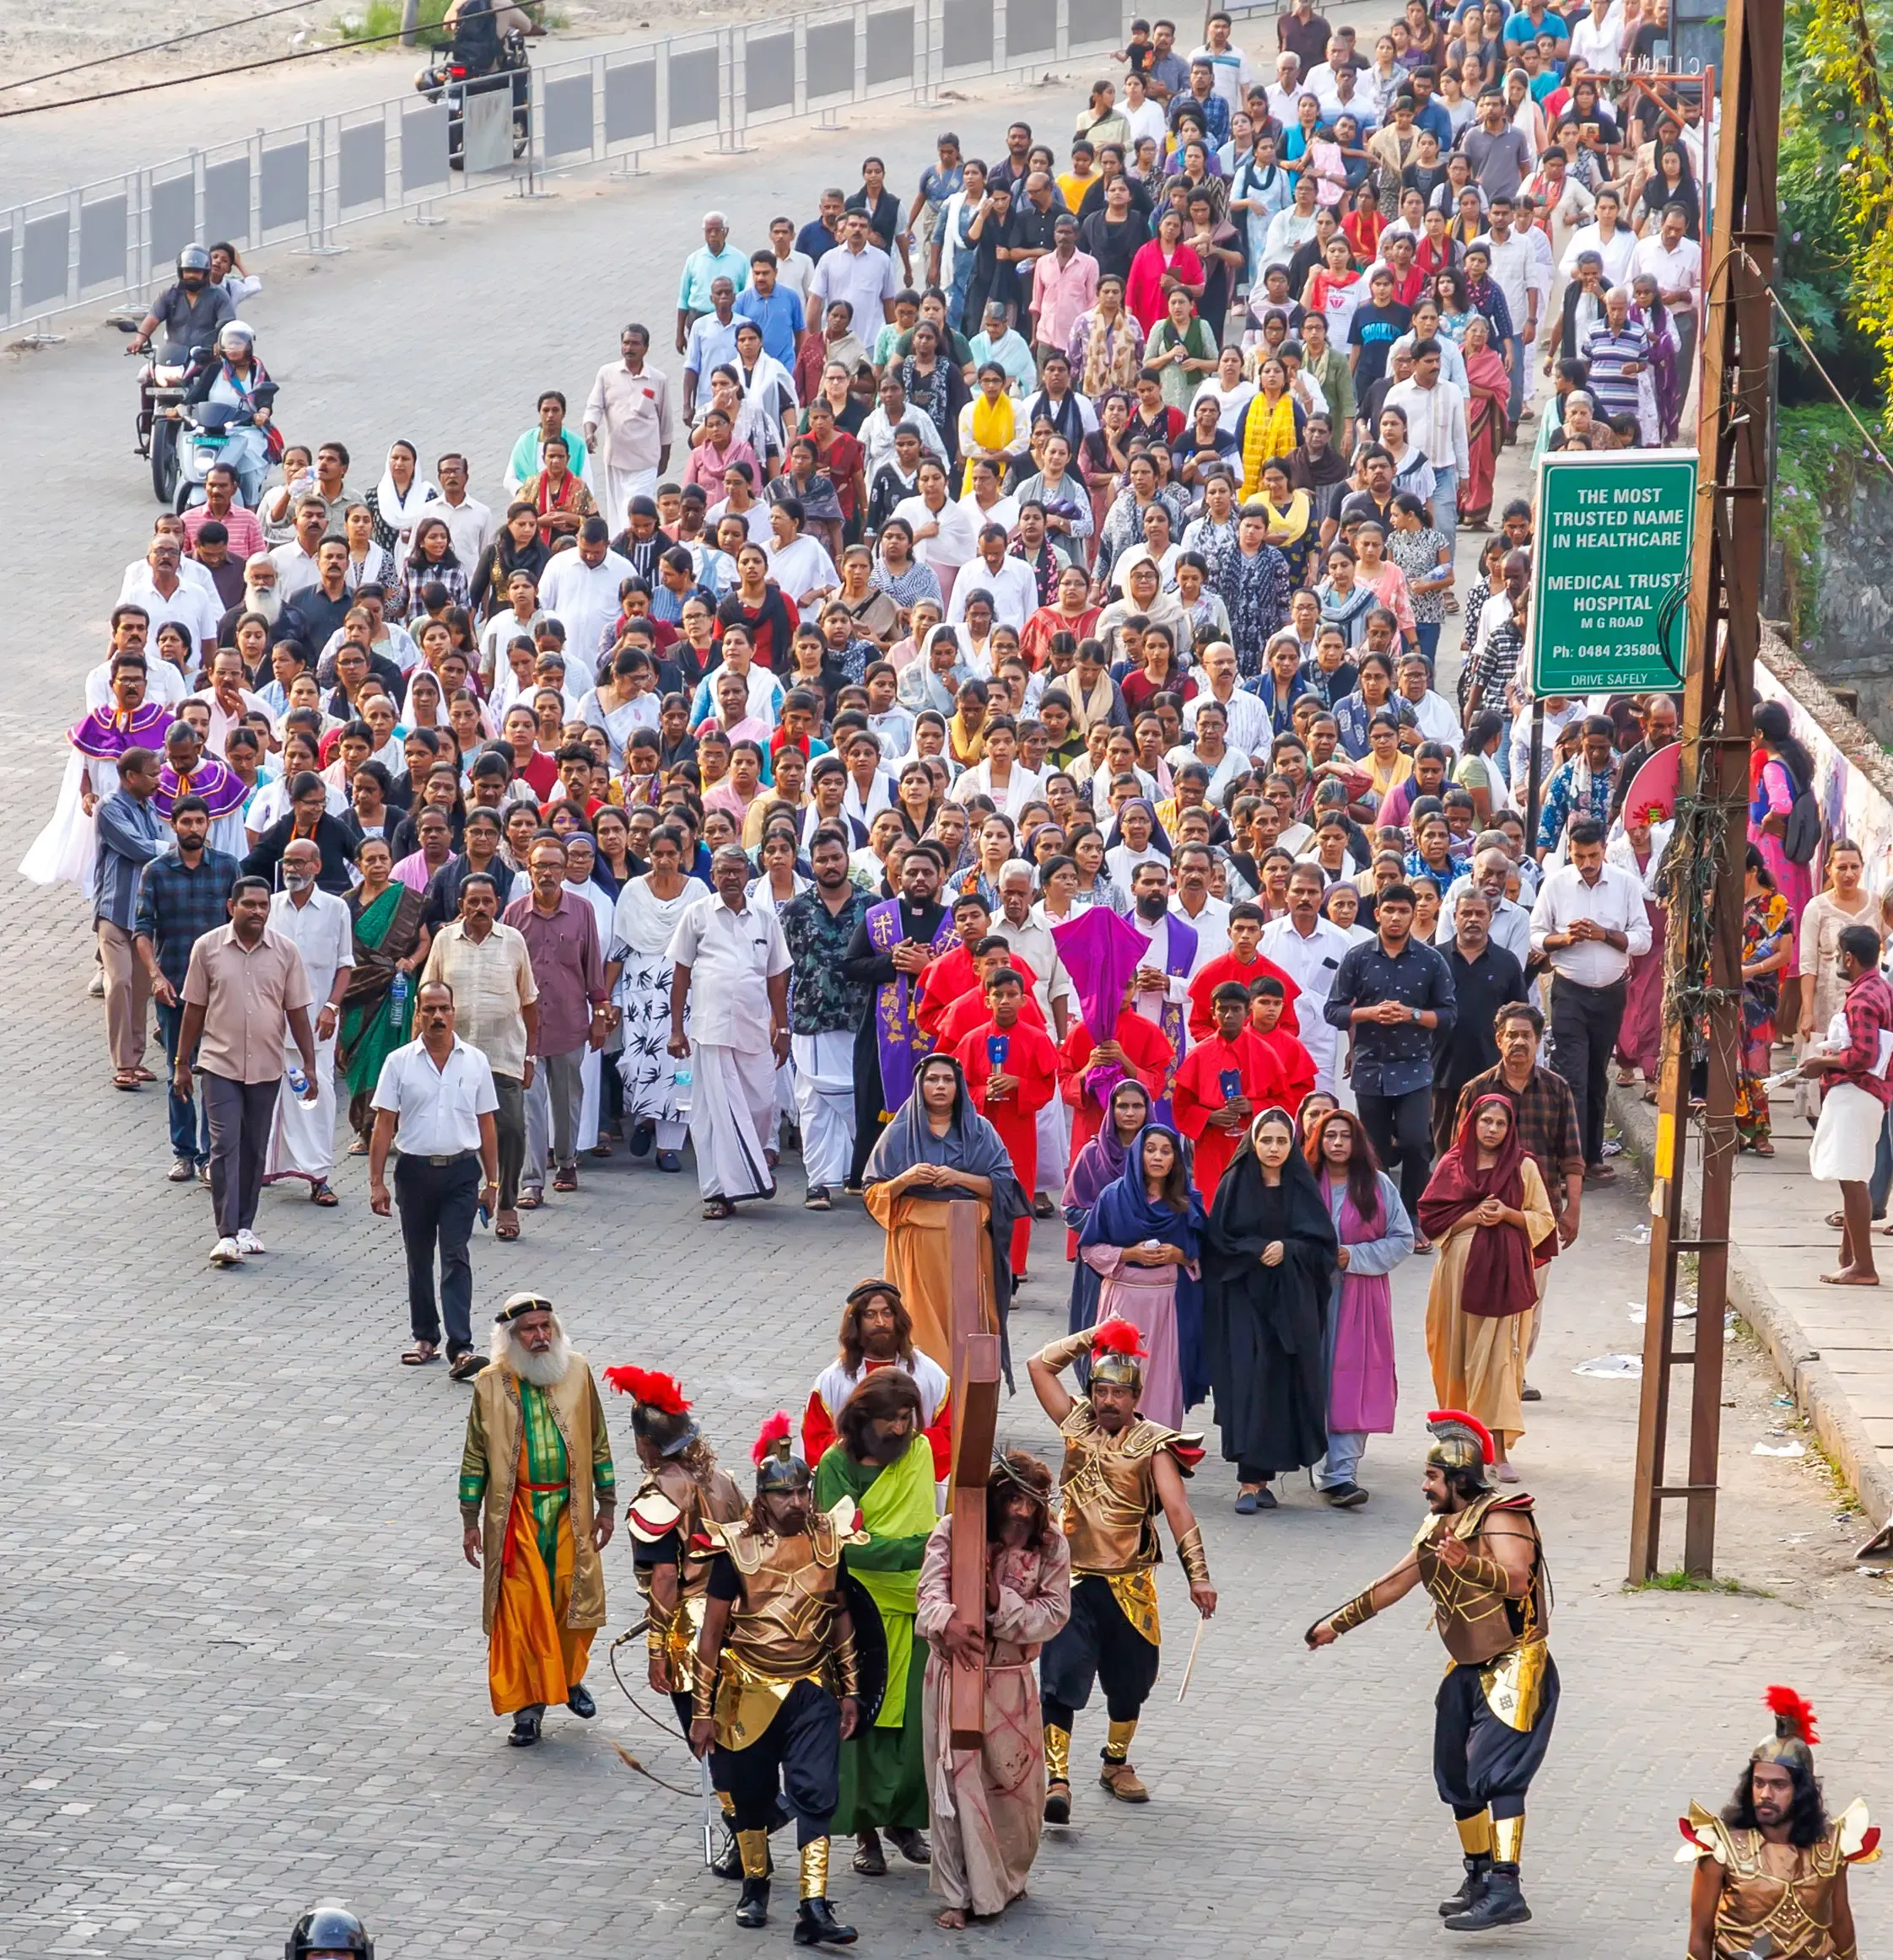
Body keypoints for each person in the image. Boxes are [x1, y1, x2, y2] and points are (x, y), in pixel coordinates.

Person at [1306, 1410, 1557, 1933]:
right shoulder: (1438, 1526)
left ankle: (1507, 1887)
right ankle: (1480, 1875)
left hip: (1516, 1664)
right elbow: (1394, 1583)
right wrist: (1337, 1625)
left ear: (1459, 1481)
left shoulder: (1503, 1516)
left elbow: (1515, 1579)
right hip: (1465, 1668)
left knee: (1498, 1775)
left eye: (1431, 1478)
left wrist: (1469, 1565)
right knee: (1456, 1777)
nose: (1423, 1486)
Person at [1027, 1317, 1214, 1817]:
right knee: (1059, 1676)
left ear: (1135, 1398)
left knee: (1132, 1679)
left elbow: (1177, 1509)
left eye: (1119, 1393)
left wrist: (1198, 1575)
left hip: (1130, 1583)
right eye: (1101, 1391)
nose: (1109, 1401)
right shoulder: (1076, 1423)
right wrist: (1093, 1338)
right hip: (1071, 1579)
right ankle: (1057, 1777)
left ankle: (1116, 1762)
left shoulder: (1153, 1444)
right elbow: (1038, 1366)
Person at [688, 1415, 863, 1944]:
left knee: (817, 1791)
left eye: (801, 1491)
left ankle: (813, 1905)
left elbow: (841, 1616)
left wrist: (852, 1690)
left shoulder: (830, 1541)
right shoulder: (735, 1549)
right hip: (747, 1689)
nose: (795, 1502)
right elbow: (712, 1633)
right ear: (762, 1498)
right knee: (751, 1794)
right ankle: (756, 1885)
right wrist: (701, 1712)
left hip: (811, 1687)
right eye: (783, 1494)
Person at [916, 1448, 1071, 1929]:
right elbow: (929, 1592)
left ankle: (1005, 1880)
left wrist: (996, 1602)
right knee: (955, 1788)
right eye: (1013, 1501)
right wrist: (950, 1623)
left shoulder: (1053, 1546)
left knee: (1014, 1792)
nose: (1022, 1514)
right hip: (952, 1679)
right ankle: (961, 1895)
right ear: (994, 1498)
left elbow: (1054, 1613)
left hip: (1011, 1686)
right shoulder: (952, 1532)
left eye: (1031, 1504)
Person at [608, 1365, 748, 1873]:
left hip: (692, 1633)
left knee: (706, 1736)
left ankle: (748, 1832)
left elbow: (664, 1580)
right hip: (742, 1619)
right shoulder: (725, 1479)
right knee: (738, 1731)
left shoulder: (654, 1497)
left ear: (646, 1444)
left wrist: (655, 1651)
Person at [458, 1295, 616, 1747]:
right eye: (529, 1329)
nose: (541, 1336)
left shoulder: (578, 1370)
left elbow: (598, 1439)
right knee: (525, 1612)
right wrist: (471, 1518)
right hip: (518, 1517)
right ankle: (528, 1709)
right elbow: (474, 1458)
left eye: (546, 1326)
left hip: (572, 1511)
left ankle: (566, 1679)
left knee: (573, 1600)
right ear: (511, 1338)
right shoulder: (488, 1385)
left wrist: (606, 1503)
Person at [813, 1370, 935, 1881]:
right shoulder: (834, 1467)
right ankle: (865, 1835)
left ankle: (906, 1823)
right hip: (856, 1614)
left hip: (912, 1607)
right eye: (890, 1418)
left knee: (913, 1726)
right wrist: (917, 1549)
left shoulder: (919, 1453)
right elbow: (842, 1542)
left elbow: (923, 1526)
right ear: (863, 1419)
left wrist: (917, 1553)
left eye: (907, 1417)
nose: (900, 1429)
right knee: (860, 1722)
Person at [175, 876, 321, 1268]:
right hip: (219, 1064)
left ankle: (244, 1227)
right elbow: (194, 1009)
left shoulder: (285, 952)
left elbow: (297, 1012)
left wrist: (309, 1064)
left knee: (255, 1147)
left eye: (263, 906)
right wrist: (182, 1063)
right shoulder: (207, 948)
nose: (257, 911)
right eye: (249, 905)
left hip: (267, 1066)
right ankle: (225, 1235)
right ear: (231, 907)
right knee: (224, 1145)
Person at [1200, 1106, 1340, 1511]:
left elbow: (1322, 1247)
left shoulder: (1301, 1186)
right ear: (1253, 1142)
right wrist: (1255, 1250)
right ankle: (1247, 1480)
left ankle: (1264, 1479)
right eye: (1266, 1140)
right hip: (1242, 1299)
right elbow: (1219, 1242)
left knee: (1279, 1383)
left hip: (1290, 1304)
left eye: (1281, 1140)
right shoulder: (1235, 1183)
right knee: (1247, 1379)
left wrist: (1289, 1250)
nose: (1274, 1148)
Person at [1679, 1685, 1876, 1960]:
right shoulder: (1720, 1849)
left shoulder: (1831, 1847)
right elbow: (1700, 1936)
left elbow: (1840, 1921)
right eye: (1759, 1783)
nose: (1765, 1795)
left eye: (1779, 1785)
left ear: (1802, 1791)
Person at [863, 1053, 1031, 1370]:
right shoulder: (900, 1132)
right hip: (916, 1246)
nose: (940, 1087)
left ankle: (966, 1407)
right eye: (932, 1079)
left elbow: (1006, 1186)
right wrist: (906, 1179)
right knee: (920, 1329)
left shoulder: (980, 1131)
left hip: (967, 1242)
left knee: (967, 1327)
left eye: (948, 1080)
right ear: (919, 1086)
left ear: (959, 1087)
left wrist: (959, 1178)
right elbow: (873, 1191)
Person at [368, 978, 501, 1375]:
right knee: (418, 1257)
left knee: (456, 1255)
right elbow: (383, 1124)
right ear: (418, 1014)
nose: (438, 1017)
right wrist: (377, 1182)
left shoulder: (475, 1061)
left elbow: (488, 1125)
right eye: (430, 1010)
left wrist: (493, 1184)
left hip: (462, 1172)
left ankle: (461, 1346)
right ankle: (425, 1335)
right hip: (414, 1173)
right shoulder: (399, 1062)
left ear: (454, 1012)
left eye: (444, 1009)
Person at [1419, 1094, 1556, 1478]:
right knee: (1454, 1357)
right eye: (1486, 1122)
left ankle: (1497, 1454)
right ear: (1472, 1124)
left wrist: (1508, 1214)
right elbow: (1432, 1218)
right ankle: (1458, 1445)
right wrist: (1473, 1216)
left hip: (1503, 1278)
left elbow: (1544, 1218)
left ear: (1510, 1128)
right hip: (1455, 1281)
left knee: (1498, 1362)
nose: (1492, 1130)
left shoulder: (1523, 1166)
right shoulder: (1452, 1164)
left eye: (1500, 1124)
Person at [666, 843, 792, 1220]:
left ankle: (749, 1173)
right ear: (713, 876)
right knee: (714, 1114)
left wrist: (782, 1026)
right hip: (711, 1030)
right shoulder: (697, 914)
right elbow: (681, 974)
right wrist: (677, 1030)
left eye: (738, 871)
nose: (731, 877)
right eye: (724, 872)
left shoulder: (765, 918)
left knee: (761, 1104)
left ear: (749, 875)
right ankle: (719, 1192)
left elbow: (776, 976)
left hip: (754, 1028)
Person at [1324, 880, 1456, 1226]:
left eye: (1403, 911)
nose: (1396, 918)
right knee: (1374, 1151)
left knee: (1415, 1142)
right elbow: (1333, 1011)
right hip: (1370, 1068)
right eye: (1390, 910)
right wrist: (1369, 1013)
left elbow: (1448, 1016)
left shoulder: (1432, 960)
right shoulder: (1358, 957)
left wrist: (1411, 1014)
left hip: (1414, 1067)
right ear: (1377, 913)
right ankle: (1376, 1217)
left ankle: (1414, 1216)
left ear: (1414, 915)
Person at [1529, 816, 1652, 1178]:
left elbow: (1642, 939)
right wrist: (1565, 939)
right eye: (1579, 856)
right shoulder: (1556, 884)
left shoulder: (1626, 885)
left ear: (1604, 851)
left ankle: (1593, 1156)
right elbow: (1536, 936)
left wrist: (1604, 935)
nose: (1586, 864)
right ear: (1570, 852)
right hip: (1569, 991)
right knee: (1571, 1076)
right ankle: (1571, 1160)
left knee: (1597, 1077)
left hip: (1611, 995)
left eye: (1593, 856)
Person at [1304, 1107, 1413, 1507]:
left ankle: (1342, 1472)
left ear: (1357, 1143)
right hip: (1311, 1298)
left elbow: (1402, 1239)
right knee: (1314, 1374)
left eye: (1344, 1136)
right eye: (1329, 1135)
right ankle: (1318, 1460)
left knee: (1353, 1377)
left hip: (1360, 1296)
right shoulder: (1303, 1183)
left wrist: (1354, 1256)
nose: (1336, 1143)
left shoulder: (1378, 1186)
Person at [134, 790, 239, 1182]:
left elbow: (243, 923)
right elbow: (143, 930)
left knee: (213, 1071)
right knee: (178, 1068)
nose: (193, 828)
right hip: (174, 988)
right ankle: (184, 1152)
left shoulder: (229, 868)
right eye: (186, 822)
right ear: (173, 825)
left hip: (221, 990)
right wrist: (156, 976)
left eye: (200, 821)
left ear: (208, 824)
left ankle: (212, 1156)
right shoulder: (157, 871)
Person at [1076, 1126, 1206, 1429]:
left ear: (1176, 1157)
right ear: (1138, 1153)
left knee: (1163, 1382)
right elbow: (1090, 1249)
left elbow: (1205, 1254)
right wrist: (1128, 1254)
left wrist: (1179, 1256)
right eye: (1150, 1149)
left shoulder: (1188, 1203)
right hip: (1123, 1304)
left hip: (1168, 1307)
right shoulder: (1113, 1197)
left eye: (1165, 1150)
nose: (1158, 1157)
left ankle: (1158, 1456)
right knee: (1116, 1377)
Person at [843, 843, 956, 1187]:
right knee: (874, 1103)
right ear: (899, 876)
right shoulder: (879, 917)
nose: (920, 879)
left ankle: (930, 1176)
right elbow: (850, 966)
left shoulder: (953, 922)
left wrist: (929, 968)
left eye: (927, 873)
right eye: (912, 872)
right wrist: (890, 963)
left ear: (941, 878)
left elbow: (969, 975)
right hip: (882, 1035)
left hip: (934, 1032)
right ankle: (873, 1179)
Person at [505, 837, 611, 1203]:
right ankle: (531, 1181)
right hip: (525, 1029)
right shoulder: (514, 915)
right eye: (540, 867)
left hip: (568, 1023)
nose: (547, 873)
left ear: (565, 871)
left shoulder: (582, 912)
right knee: (529, 1106)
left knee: (567, 1099)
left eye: (553, 866)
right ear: (529, 869)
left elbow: (593, 968)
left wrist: (599, 1014)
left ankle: (566, 1161)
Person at [779, 830, 872, 1209]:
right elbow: (782, 969)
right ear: (812, 864)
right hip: (811, 1019)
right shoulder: (796, 910)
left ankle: (861, 1171)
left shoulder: (875, 908)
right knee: (814, 1102)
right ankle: (818, 1183)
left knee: (860, 1098)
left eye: (836, 857)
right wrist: (779, 1021)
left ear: (847, 857)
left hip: (861, 1019)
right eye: (822, 859)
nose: (830, 865)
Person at [262, 837, 355, 1205]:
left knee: (315, 1095)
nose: (292, 869)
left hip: (316, 1024)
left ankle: (319, 1176)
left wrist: (332, 1007)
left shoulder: (336, 909)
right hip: (270, 1021)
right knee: (267, 1097)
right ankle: (263, 1166)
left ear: (316, 866)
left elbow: (345, 964)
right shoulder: (268, 906)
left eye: (300, 863)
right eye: (287, 862)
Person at [1800, 923, 1893, 1288]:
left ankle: (1863, 1266)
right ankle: (1849, 1257)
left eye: (1839, 954)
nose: (1838, 959)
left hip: (1857, 1092)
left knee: (1853, 1181)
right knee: (1852, 1175)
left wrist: (1821, 1063)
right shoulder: (1879, 988)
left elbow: (1863, 1054)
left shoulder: (1862, 998)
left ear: (1849, 958)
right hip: (1871, 1095)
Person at [955, 967, 1060, 1283]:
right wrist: (981, 1092)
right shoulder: (972, 1040)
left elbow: (1046, 1088)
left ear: (1024, 1000)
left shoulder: (1037, 1039)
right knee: (979, 1194)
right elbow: (957, 1089)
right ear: (986, 999)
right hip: (980, 1132)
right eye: (997, 995)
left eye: (1012, 995)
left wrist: (1019, 1084)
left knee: (1019, 1192)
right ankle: (980, 1264)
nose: (1005, 1001)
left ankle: (1015, 1266)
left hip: (1019, 1127)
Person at [801, 1279, 952, 1475]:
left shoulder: (930, 1375)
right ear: (856, 1322)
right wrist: (862, 1449)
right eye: (870, 1315)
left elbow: (951, 1435)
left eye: (887, 1313)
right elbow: (815, 1441)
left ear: (898, 1319)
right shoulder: (832, 1380)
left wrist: (902, 1446)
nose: (880, 1322)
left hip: (912, 1478)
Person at [1173, 980, 1291, 1206]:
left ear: (1247, 1012)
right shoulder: (1198, 1054)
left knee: (1252, 1204)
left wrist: (1253, 1107)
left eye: (1236, 1009)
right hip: (1211, 1145)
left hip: (1255, 1144)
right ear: (1212, 1012)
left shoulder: (1266, 1054)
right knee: (1213, 1204)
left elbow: (1285, 1103)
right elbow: (1181, 1107)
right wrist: (1209, 1116)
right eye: (1223, 1009)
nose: (1229, 1015)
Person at [1432, 886, 1528, 1152]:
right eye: (1466, 913)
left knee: (1492, 1143)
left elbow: (1520, 1014)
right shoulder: (1435, 959)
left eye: (1480, 914)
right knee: (1446, 1146)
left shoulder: (1506, 962)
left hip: (1492, 1068)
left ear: (1490, 918)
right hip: (1443, 1069)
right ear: (1454, 917)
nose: (1473, 920)